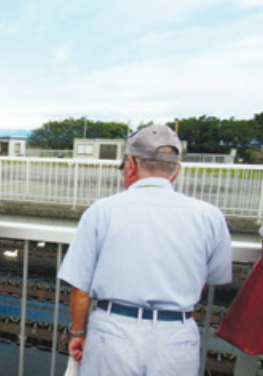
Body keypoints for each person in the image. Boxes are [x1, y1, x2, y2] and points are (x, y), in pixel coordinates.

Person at [58, 124, 232, 376]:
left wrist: (78, 332)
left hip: (114, 333)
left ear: (131, 164)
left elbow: (81, 289)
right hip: (177, 335)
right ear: (176, 171)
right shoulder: (210, 217)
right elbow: (211, 278)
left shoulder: (102, 211)